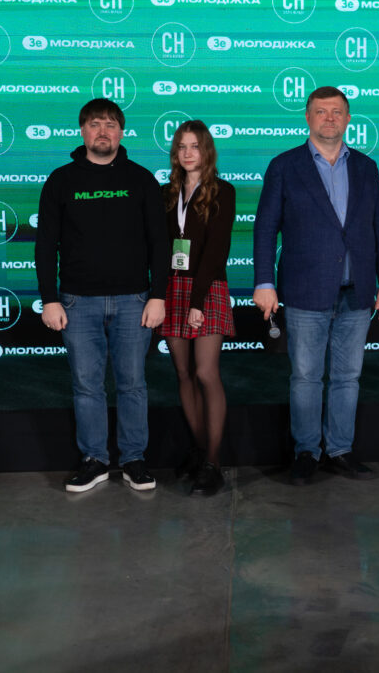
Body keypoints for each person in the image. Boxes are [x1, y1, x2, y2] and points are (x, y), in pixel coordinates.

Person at [253, 86, 379, 486]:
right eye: (321, 111)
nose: (329, 118)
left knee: (348, 377)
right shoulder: (284, 166)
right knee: (305, 377)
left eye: (336, 112)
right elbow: (265, 228)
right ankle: (306, 451)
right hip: (305, 290)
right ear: (308, 117)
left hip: (357, 292)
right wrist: (264, 281)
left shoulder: (366, 167)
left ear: (348, 119)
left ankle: (340, 449)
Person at [36, 98, 169, 492]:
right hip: (77, 302)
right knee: (86, 385)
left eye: (111, 124)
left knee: (132, 384)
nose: (103, 131)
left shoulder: (141, 179)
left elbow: (160, 243)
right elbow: (46, 245)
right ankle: (94, 460)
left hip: (133, 301)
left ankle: (133, 460)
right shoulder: (61, 180)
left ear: (122, 132)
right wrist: (49, 298)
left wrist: (158, 295)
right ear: (82, 131)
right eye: (95, 124)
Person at [158, 120, 236, 497]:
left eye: (195, 146)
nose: (188, 153)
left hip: (207, 287)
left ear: (207, 151)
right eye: (182, 147)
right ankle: (199, 450)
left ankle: (213, 462)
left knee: (205, 372)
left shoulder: (223, 191)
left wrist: (197, 301)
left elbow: (217, 250)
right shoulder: (166, 193)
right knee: (183, 373)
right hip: (172, 287)